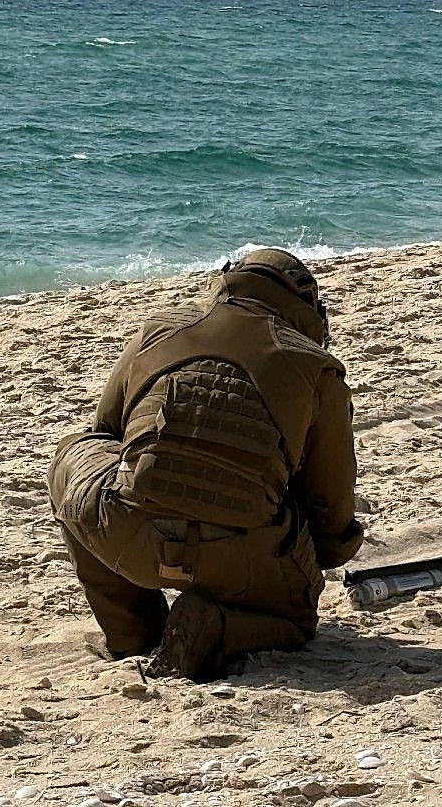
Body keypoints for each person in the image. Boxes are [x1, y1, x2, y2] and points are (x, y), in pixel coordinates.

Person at [47, 249, 362, 681]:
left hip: (130, 536)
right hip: (239, 558)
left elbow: (105, 433)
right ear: (307, 306)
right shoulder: (317, 368)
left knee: (74, 454)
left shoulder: (158, 330)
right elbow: (329, 509)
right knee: (295, 621)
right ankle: (217, 625)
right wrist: (310, 560)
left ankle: (133, 633)